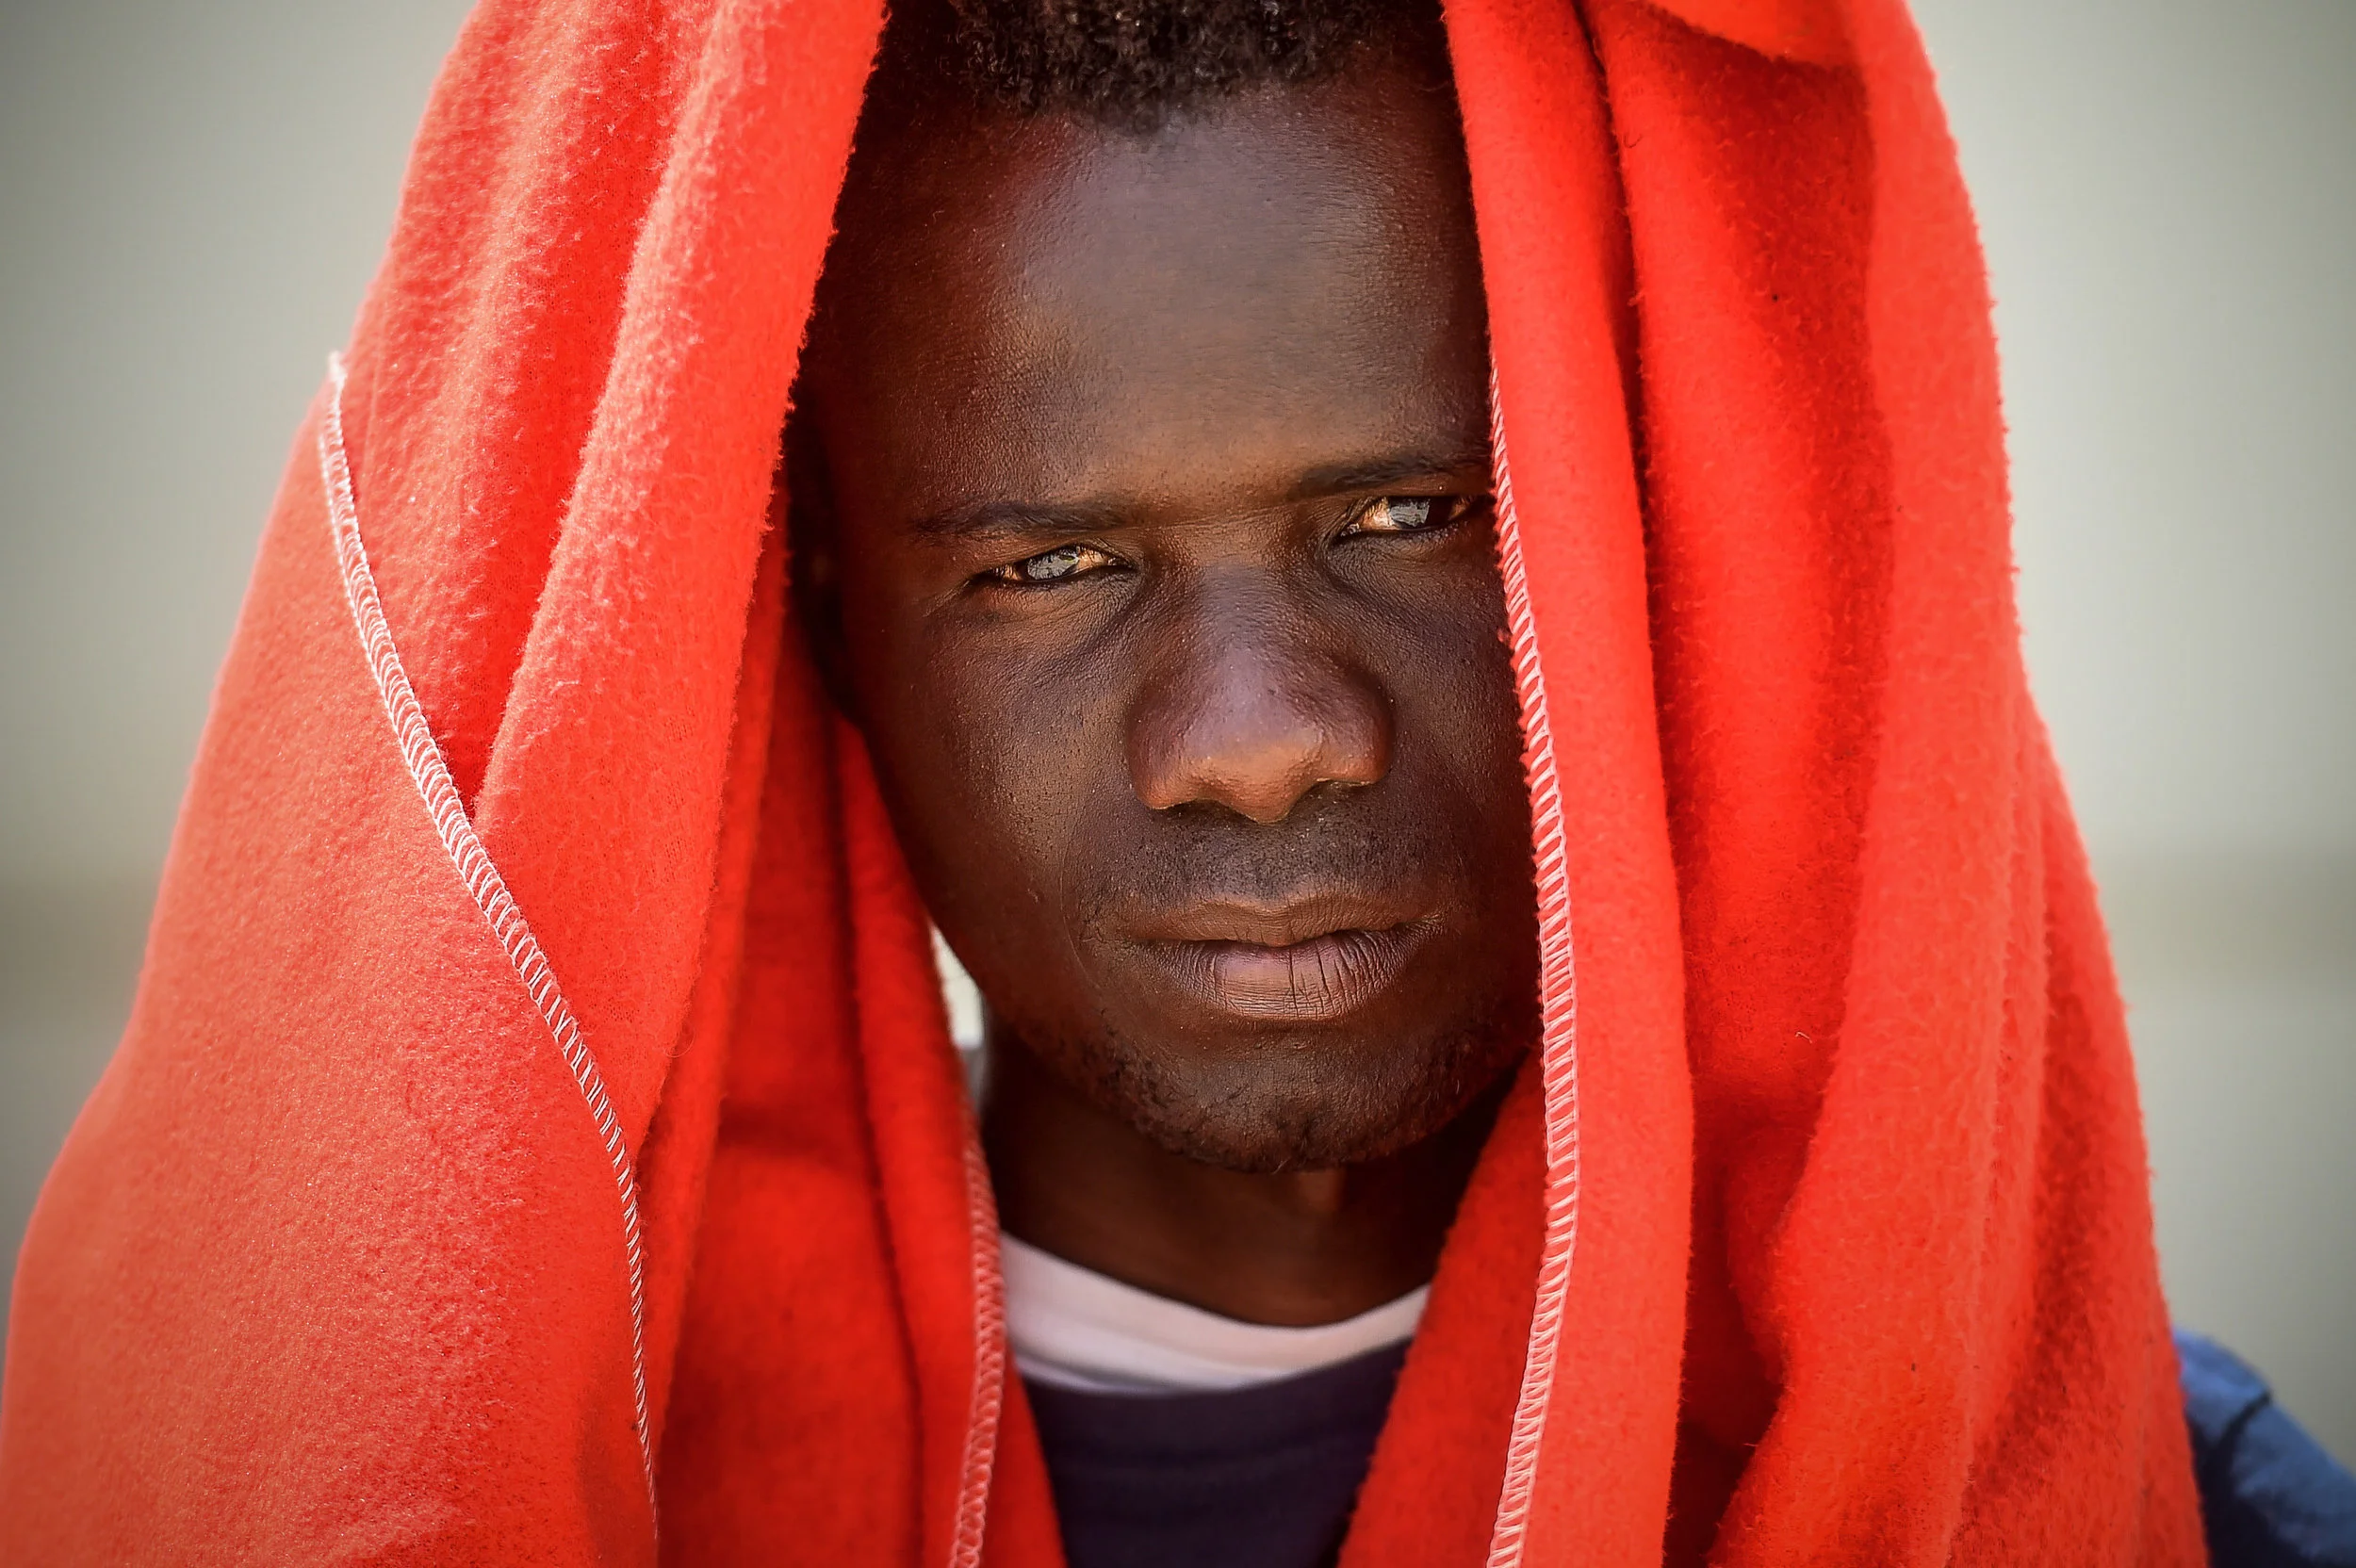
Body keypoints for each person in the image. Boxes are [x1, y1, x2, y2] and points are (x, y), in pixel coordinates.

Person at [2, 0, 2349, 1562]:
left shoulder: (2152, 1503)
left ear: (1652, 543)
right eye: (1051, 565)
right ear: (810, 621)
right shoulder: (576, 1486)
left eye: (1405, 519)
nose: (1257, 737)